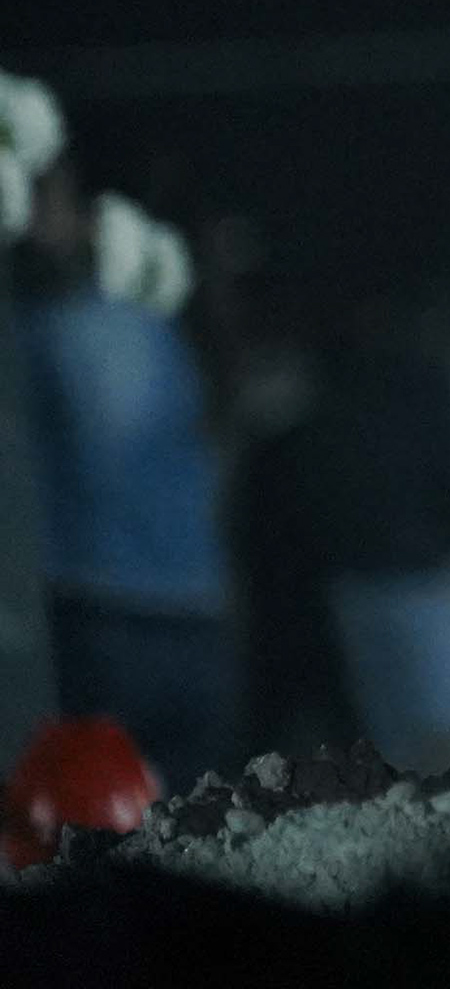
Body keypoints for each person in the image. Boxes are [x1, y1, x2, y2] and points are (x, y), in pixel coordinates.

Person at [12, 165, 234, 789]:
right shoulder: (164, 333)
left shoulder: (58, 332)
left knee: (93, 814)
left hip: (103, 612)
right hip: (193, 612)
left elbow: (101, 460)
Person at [295, 286, 450, 769]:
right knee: (440, 730)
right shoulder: (426, 383)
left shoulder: (337, 385)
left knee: (389, 734)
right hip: (417, 569)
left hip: (361, 572)